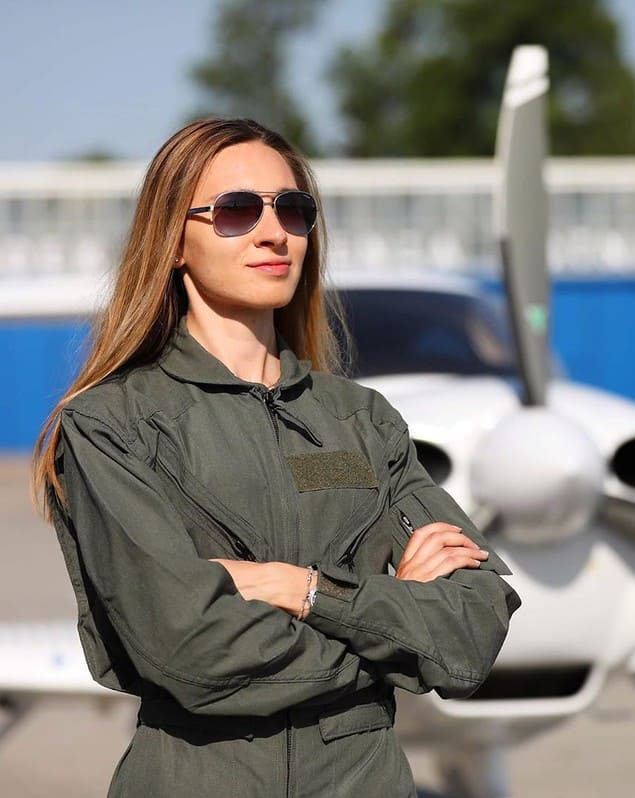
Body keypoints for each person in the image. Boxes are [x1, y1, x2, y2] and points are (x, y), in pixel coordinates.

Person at [32, 118, 520, 797]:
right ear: (173, 239)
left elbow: (472, 627)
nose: (274, 232)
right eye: (236, 210)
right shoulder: (111, 428)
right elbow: (191, 649)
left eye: (293, 209)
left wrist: (303, 591)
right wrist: (396, 624)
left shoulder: (362, 421)